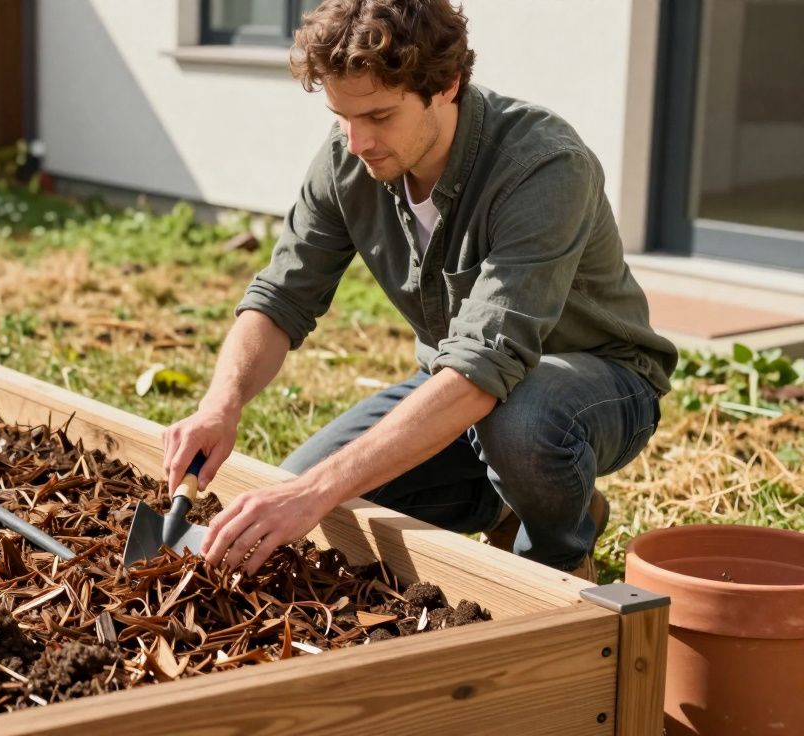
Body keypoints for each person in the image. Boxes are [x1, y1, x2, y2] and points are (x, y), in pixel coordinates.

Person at [161, 0, 677, 582]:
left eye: (380, 116)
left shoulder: (544, 165)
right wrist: (221, 404)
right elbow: (281, 297)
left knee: (521, 422)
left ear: (447, 84)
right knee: (312, 495)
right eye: (342, 116)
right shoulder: (348, 158)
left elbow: (484, 364)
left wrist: (315, 491)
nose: (358, 141)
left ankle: (557, 555)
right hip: (456, 390)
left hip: (597, 386)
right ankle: (508, 500)